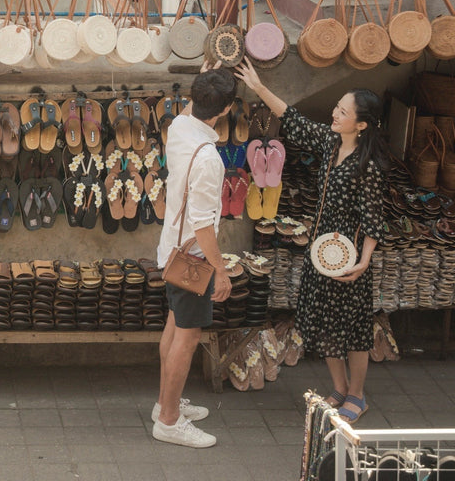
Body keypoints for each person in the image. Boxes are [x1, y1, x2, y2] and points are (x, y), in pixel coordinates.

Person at [235, 60, 388, 424]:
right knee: (321, 323)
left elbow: (373, 218)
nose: (335, 114)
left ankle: (357, 395)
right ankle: (338, 389)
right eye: (337, 107)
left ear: (361, 124)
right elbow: (293, 119)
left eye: (343, 112)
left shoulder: (368, 166)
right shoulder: (331, 142)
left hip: (348, 257)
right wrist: (258, 86)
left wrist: (364, 261)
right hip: (321, 252)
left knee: (352, 330)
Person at [153, 66, 237, 448]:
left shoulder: (180, 127)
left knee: (174, 329)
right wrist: (221, 272)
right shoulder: (209, 160)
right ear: (225, 110)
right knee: (187, 339)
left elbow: (195, 103)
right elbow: (204, 224)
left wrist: (207, 74)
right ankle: (169, 421)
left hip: (171, 247)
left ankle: (164, 405)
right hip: (194, 257)